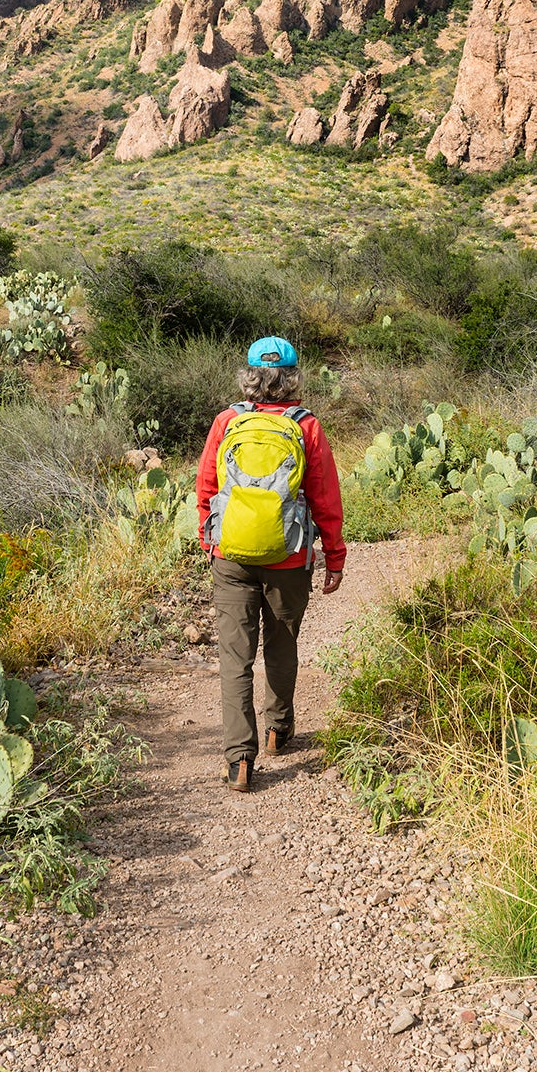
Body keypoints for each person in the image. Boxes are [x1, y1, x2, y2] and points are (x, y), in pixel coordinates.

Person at [196, 336, 346, 793]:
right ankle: (278, 729)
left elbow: (206, 489)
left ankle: (240, 759)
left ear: (249, 376)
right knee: (281, 645)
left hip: (232, 557)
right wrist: (334, 558)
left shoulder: (227, 421)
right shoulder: (307, 427)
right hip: (289, 556)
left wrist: (213, 542)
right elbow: (324, 499)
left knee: (235, 658)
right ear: (292, 377)